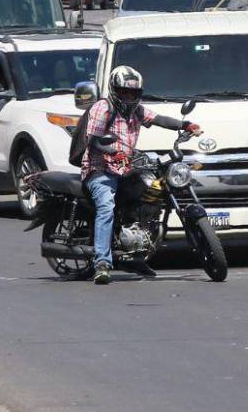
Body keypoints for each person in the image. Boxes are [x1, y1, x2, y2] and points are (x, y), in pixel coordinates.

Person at [82, 65, 201, 284]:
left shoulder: (136, 110)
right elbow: (93, 139)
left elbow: (159, 119)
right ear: (115, 90)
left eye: (134, 93)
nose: (129, 97)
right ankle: (101, 263)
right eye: (125, 92)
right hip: (100, 169)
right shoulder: (102, 108)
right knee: (106, 207)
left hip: (127, 168)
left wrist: (185, 125)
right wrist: (114, 152)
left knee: (151, 196)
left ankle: (137, 254)